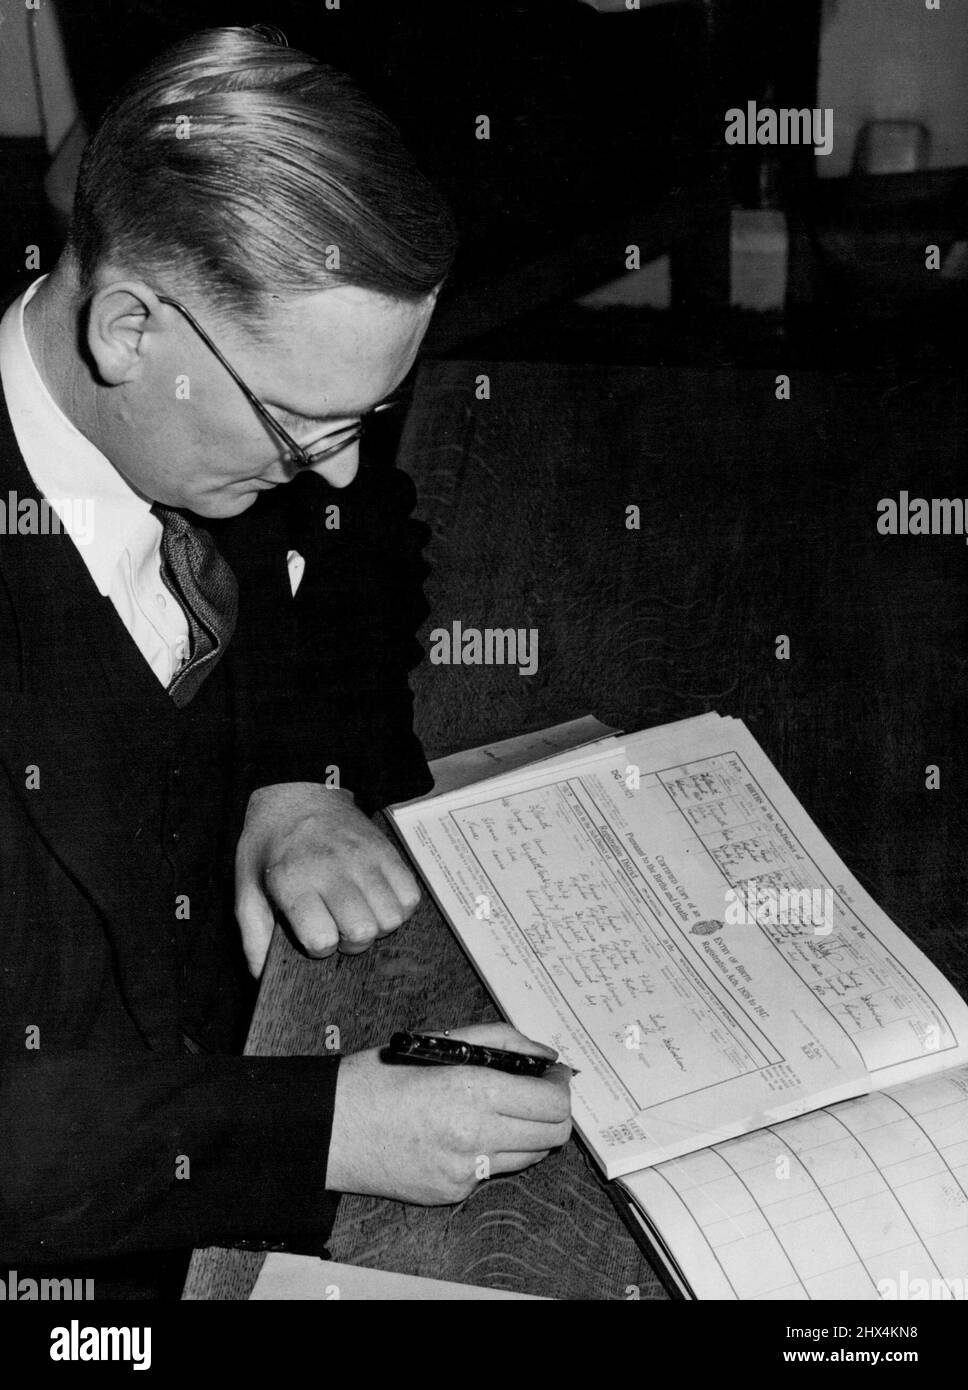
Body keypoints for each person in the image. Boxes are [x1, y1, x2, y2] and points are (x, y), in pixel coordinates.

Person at [0, 25, 572, 1299]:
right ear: (127, 330)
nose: (340, 469)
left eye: (364, 417)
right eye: (303, 423)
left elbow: (358, 542)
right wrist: (323, 1130)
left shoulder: (214, 406)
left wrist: (295, 773)